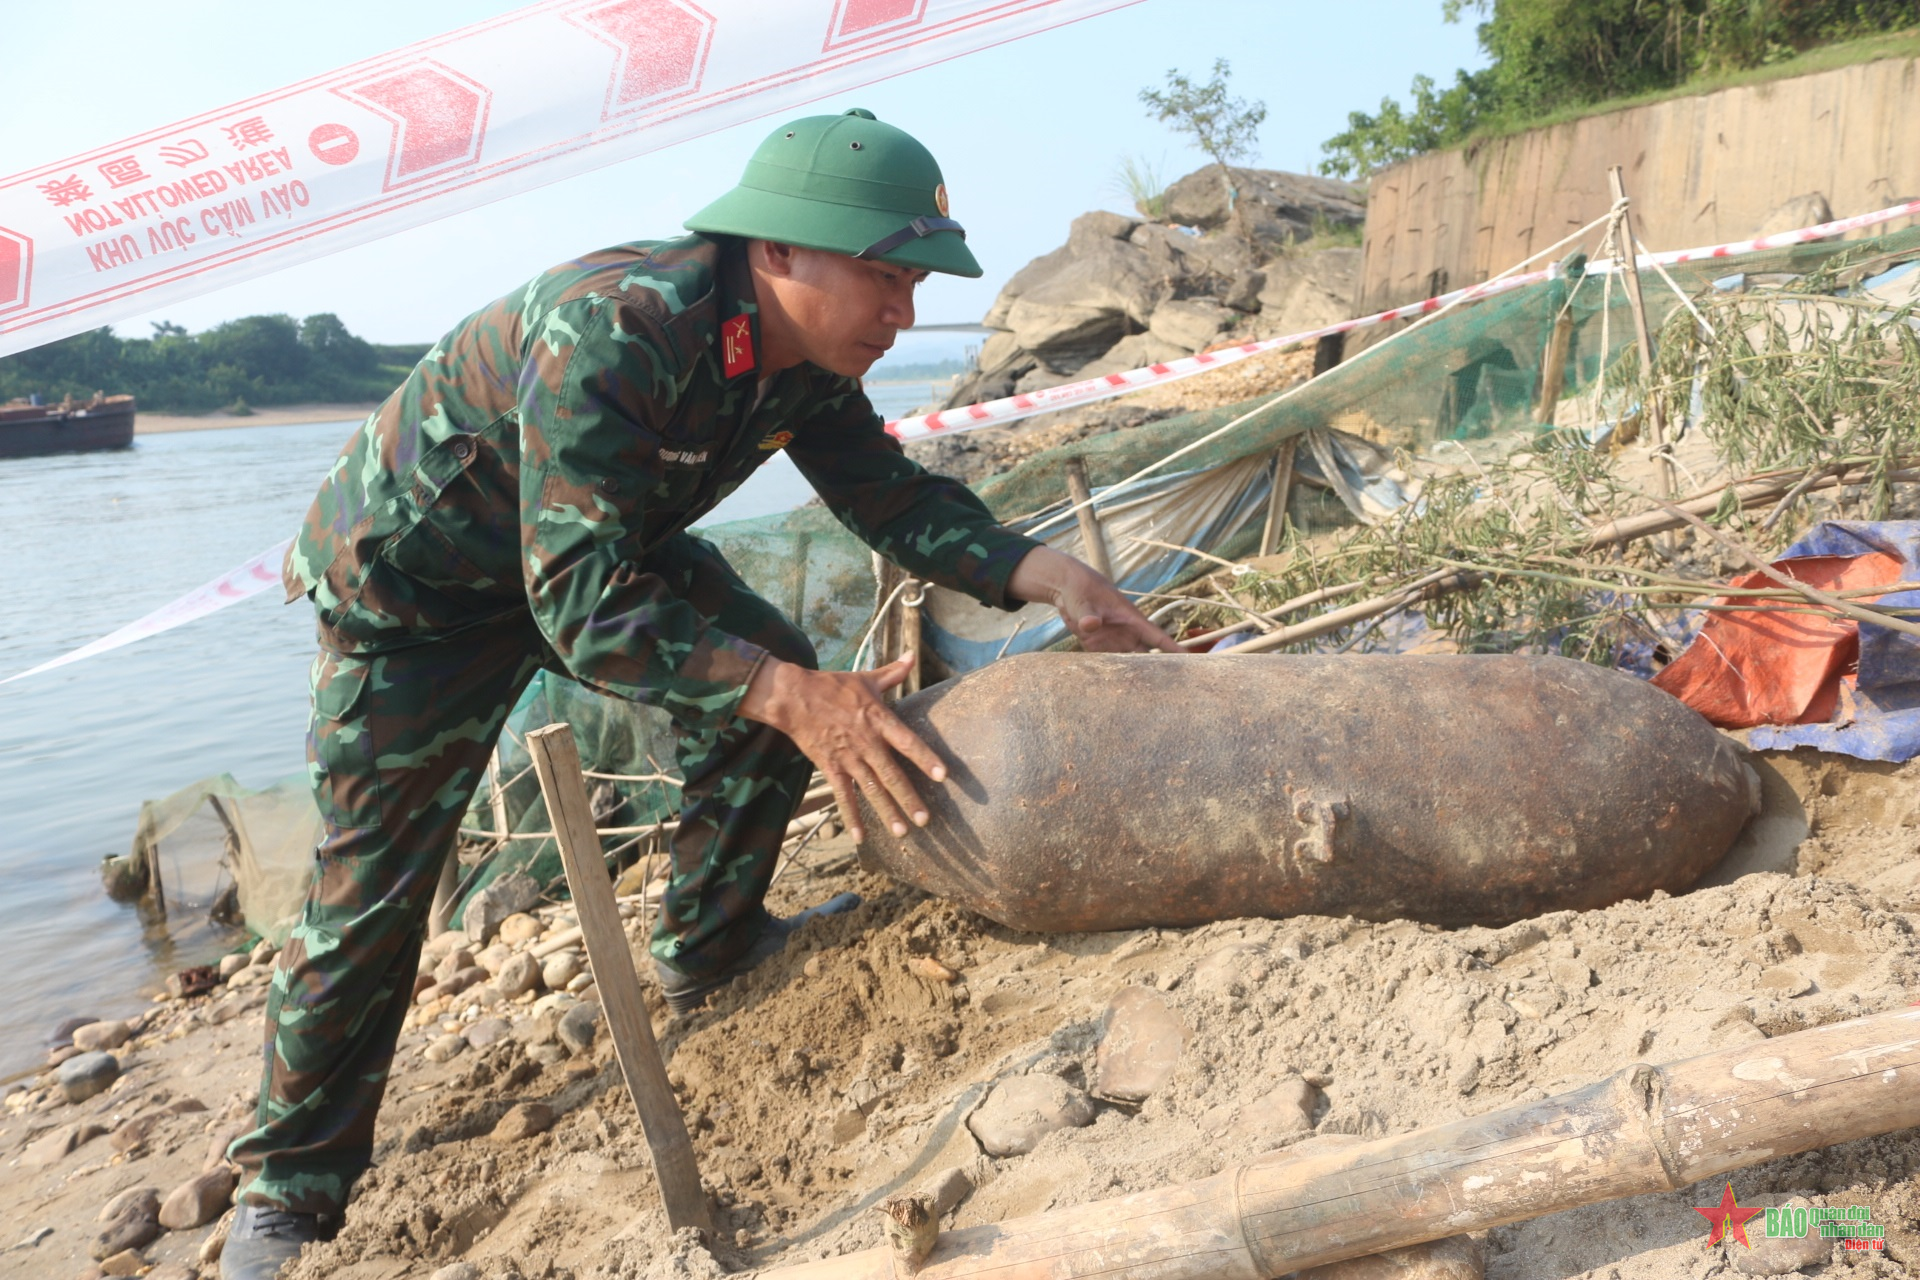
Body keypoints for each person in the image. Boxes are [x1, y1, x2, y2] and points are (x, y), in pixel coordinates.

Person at [220, 108, 1179, 1279]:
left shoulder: (809, 365)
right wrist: (791, 692)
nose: (904, 311)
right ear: (777, 252)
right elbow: (575, 596)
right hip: (414, 602)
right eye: (884, 275)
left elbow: (890, 498)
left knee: (764, 664)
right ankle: (287, 1190)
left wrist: (1050, 574)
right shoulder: (616, 328)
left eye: (913, 281)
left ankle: (705, 944)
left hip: (588, 551)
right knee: (372, 894)